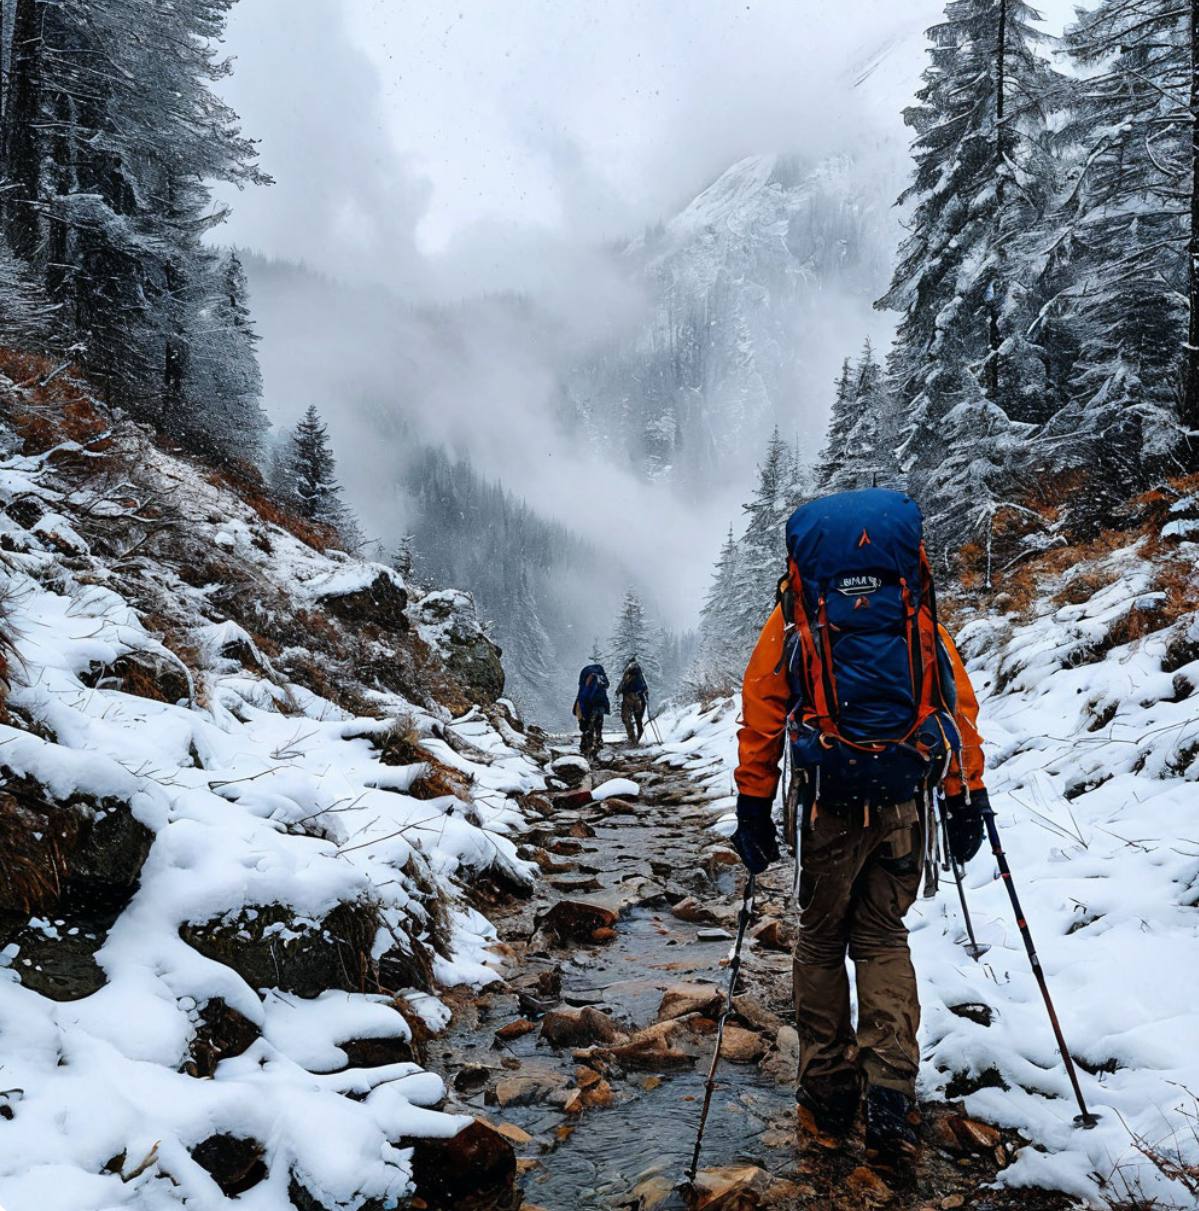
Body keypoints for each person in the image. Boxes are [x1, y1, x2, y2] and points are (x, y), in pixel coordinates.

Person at [730, 487, 989, 1172]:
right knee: (880, 935)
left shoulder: (798, 611)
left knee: (819, 937)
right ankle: (890, 1098)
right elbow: (953, 701)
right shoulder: (912, 611)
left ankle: (826, 1092)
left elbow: (762, 708)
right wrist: (967, 795)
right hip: (905, 796)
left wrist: (752, 805)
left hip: (827, 803)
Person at [573, 662, 610, 760]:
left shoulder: (587, 682)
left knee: (589, 728)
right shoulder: (601, 681)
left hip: (590, 707)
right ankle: (597, 745)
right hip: (600, 705)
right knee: (598, 726)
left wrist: (581, 721)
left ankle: (587, 751)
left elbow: (583, 699)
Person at [616, 657, 649, 743]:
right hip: (638, 698)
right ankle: (638, 735)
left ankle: (632, 737)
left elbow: (623, 684)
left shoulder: (628, 672)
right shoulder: (639, 673)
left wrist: (618, 691)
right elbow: (644, 687)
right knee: (638, 718)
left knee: (626, 718)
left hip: (628, 697)